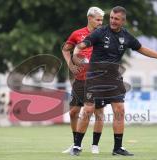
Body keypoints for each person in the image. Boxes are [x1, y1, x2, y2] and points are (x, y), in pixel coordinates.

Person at [70, 6, 157, 156]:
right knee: (88, 110)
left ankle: (117, 148)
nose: (112, 21)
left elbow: (142, 48)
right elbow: (85, 43)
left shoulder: (126, 36)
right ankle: (77, 146)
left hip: (114, 78)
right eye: (111, 18)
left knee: (120, 110)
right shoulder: (100, 32)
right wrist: (77, 49)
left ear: (123, 21)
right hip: (95, 77)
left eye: (116, 19)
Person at [62, 7, 105, 154]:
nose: (100, 23)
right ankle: (76, 144)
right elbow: (65, 49)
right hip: (80, 79)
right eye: (98, 19)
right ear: (90, 18)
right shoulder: (77, 34)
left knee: (97, 112)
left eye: (102, 20)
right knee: (73, 112)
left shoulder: (105, 35)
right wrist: (70, 65)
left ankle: (95, 146)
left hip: (97, 79)